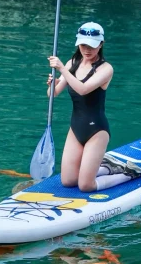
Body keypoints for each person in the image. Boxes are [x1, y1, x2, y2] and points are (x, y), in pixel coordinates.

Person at [47, 23, 131, 194]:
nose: (87, 49)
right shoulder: (73, 63)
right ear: (78, 43)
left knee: (86, 186)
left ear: (101, 44)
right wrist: (52, 84)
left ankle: (128, 174)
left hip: (97, 130)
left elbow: (83, 89)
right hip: (76, 127)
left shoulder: (106, 69)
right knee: (68, 181)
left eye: (93, 45)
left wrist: (62, 69)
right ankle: (107, 167)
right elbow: (52, 94)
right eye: (84, 44)